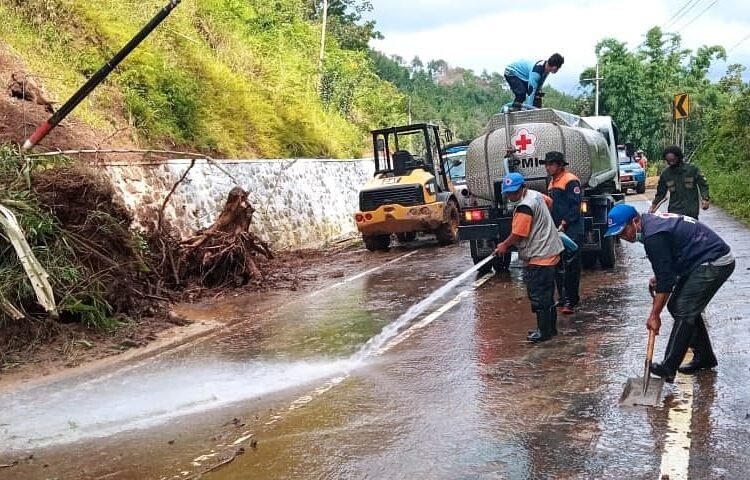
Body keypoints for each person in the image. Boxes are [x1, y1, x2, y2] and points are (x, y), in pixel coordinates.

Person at [604, 204, 735, 381]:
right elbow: (666, 267)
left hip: (715, 261)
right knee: (676, 305)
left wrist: (654, 315)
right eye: (618, 235)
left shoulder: (653, 236)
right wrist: (661, 276)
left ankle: (668, 366)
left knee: (684, 308)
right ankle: (704, 356)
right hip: (699, 260)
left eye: (623, 232)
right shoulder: (649, 225)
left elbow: (666, 283)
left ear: (635, 221)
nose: (623, 237)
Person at [494, 172, 564, 343]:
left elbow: (518, 234)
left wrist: (504, 245)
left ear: (522, 188)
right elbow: (550, 202)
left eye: (514, 192)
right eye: (508, 193)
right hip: (551, 251)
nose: (511, 196)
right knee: (547, 294)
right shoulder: (536, 195)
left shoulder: (525, 207)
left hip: (539, 256)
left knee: (539, 295)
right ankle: (550, 329)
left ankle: (544, 332)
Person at [544, 151, 583, 314]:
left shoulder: (570, 181)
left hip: (571, 228)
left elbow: (576, 206)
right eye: (547, 164)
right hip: (558, 229)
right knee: (559, 264)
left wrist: (565, 222)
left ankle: (570, 300)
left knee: (571, 265)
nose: (548, 167)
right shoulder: (552, 182)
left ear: (560, 165)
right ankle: (563, 297)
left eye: (551, 164)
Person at [649, 145, 709, 219]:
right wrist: (653, 205)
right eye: (669, 161)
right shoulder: (666, 174)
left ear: (678, 157)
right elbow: (660, 193)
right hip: (674, 211)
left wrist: (705, 199)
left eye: (673, 160)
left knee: (691, 229)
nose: (671, 163)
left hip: (691, 211)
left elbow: (703, 184)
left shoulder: (692, 170)